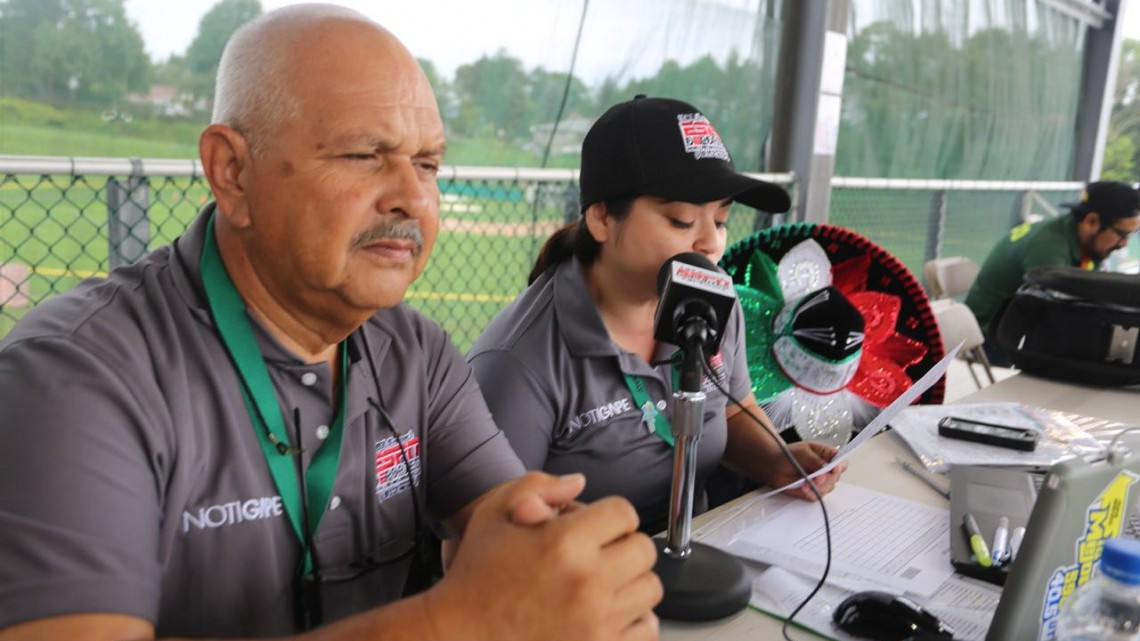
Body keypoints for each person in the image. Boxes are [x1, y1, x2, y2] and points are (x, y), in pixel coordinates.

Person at [0, 5, 662, 640]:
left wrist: (572, 566)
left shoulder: (418, 353)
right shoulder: (76, 374)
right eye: (364, 154)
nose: (413, 197)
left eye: (427, 164)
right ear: (232, 172)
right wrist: (456, 624)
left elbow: (516, 522)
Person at [467, 96, 848, 535]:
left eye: (721, 221)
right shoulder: (518, 363)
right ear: (602, 218)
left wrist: (778, 459)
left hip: (703, 544)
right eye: (682, 221)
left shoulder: (712, 300)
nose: (711, 243)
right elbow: (487, 537)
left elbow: (731, 410)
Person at [965, 180, 1140, 365]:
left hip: (1012, 329)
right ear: (1092, 221)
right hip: (987, 338)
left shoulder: (1084, 242)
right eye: (1122, 234)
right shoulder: (1049, 248)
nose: (1124, 244)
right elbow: (1057, 319)